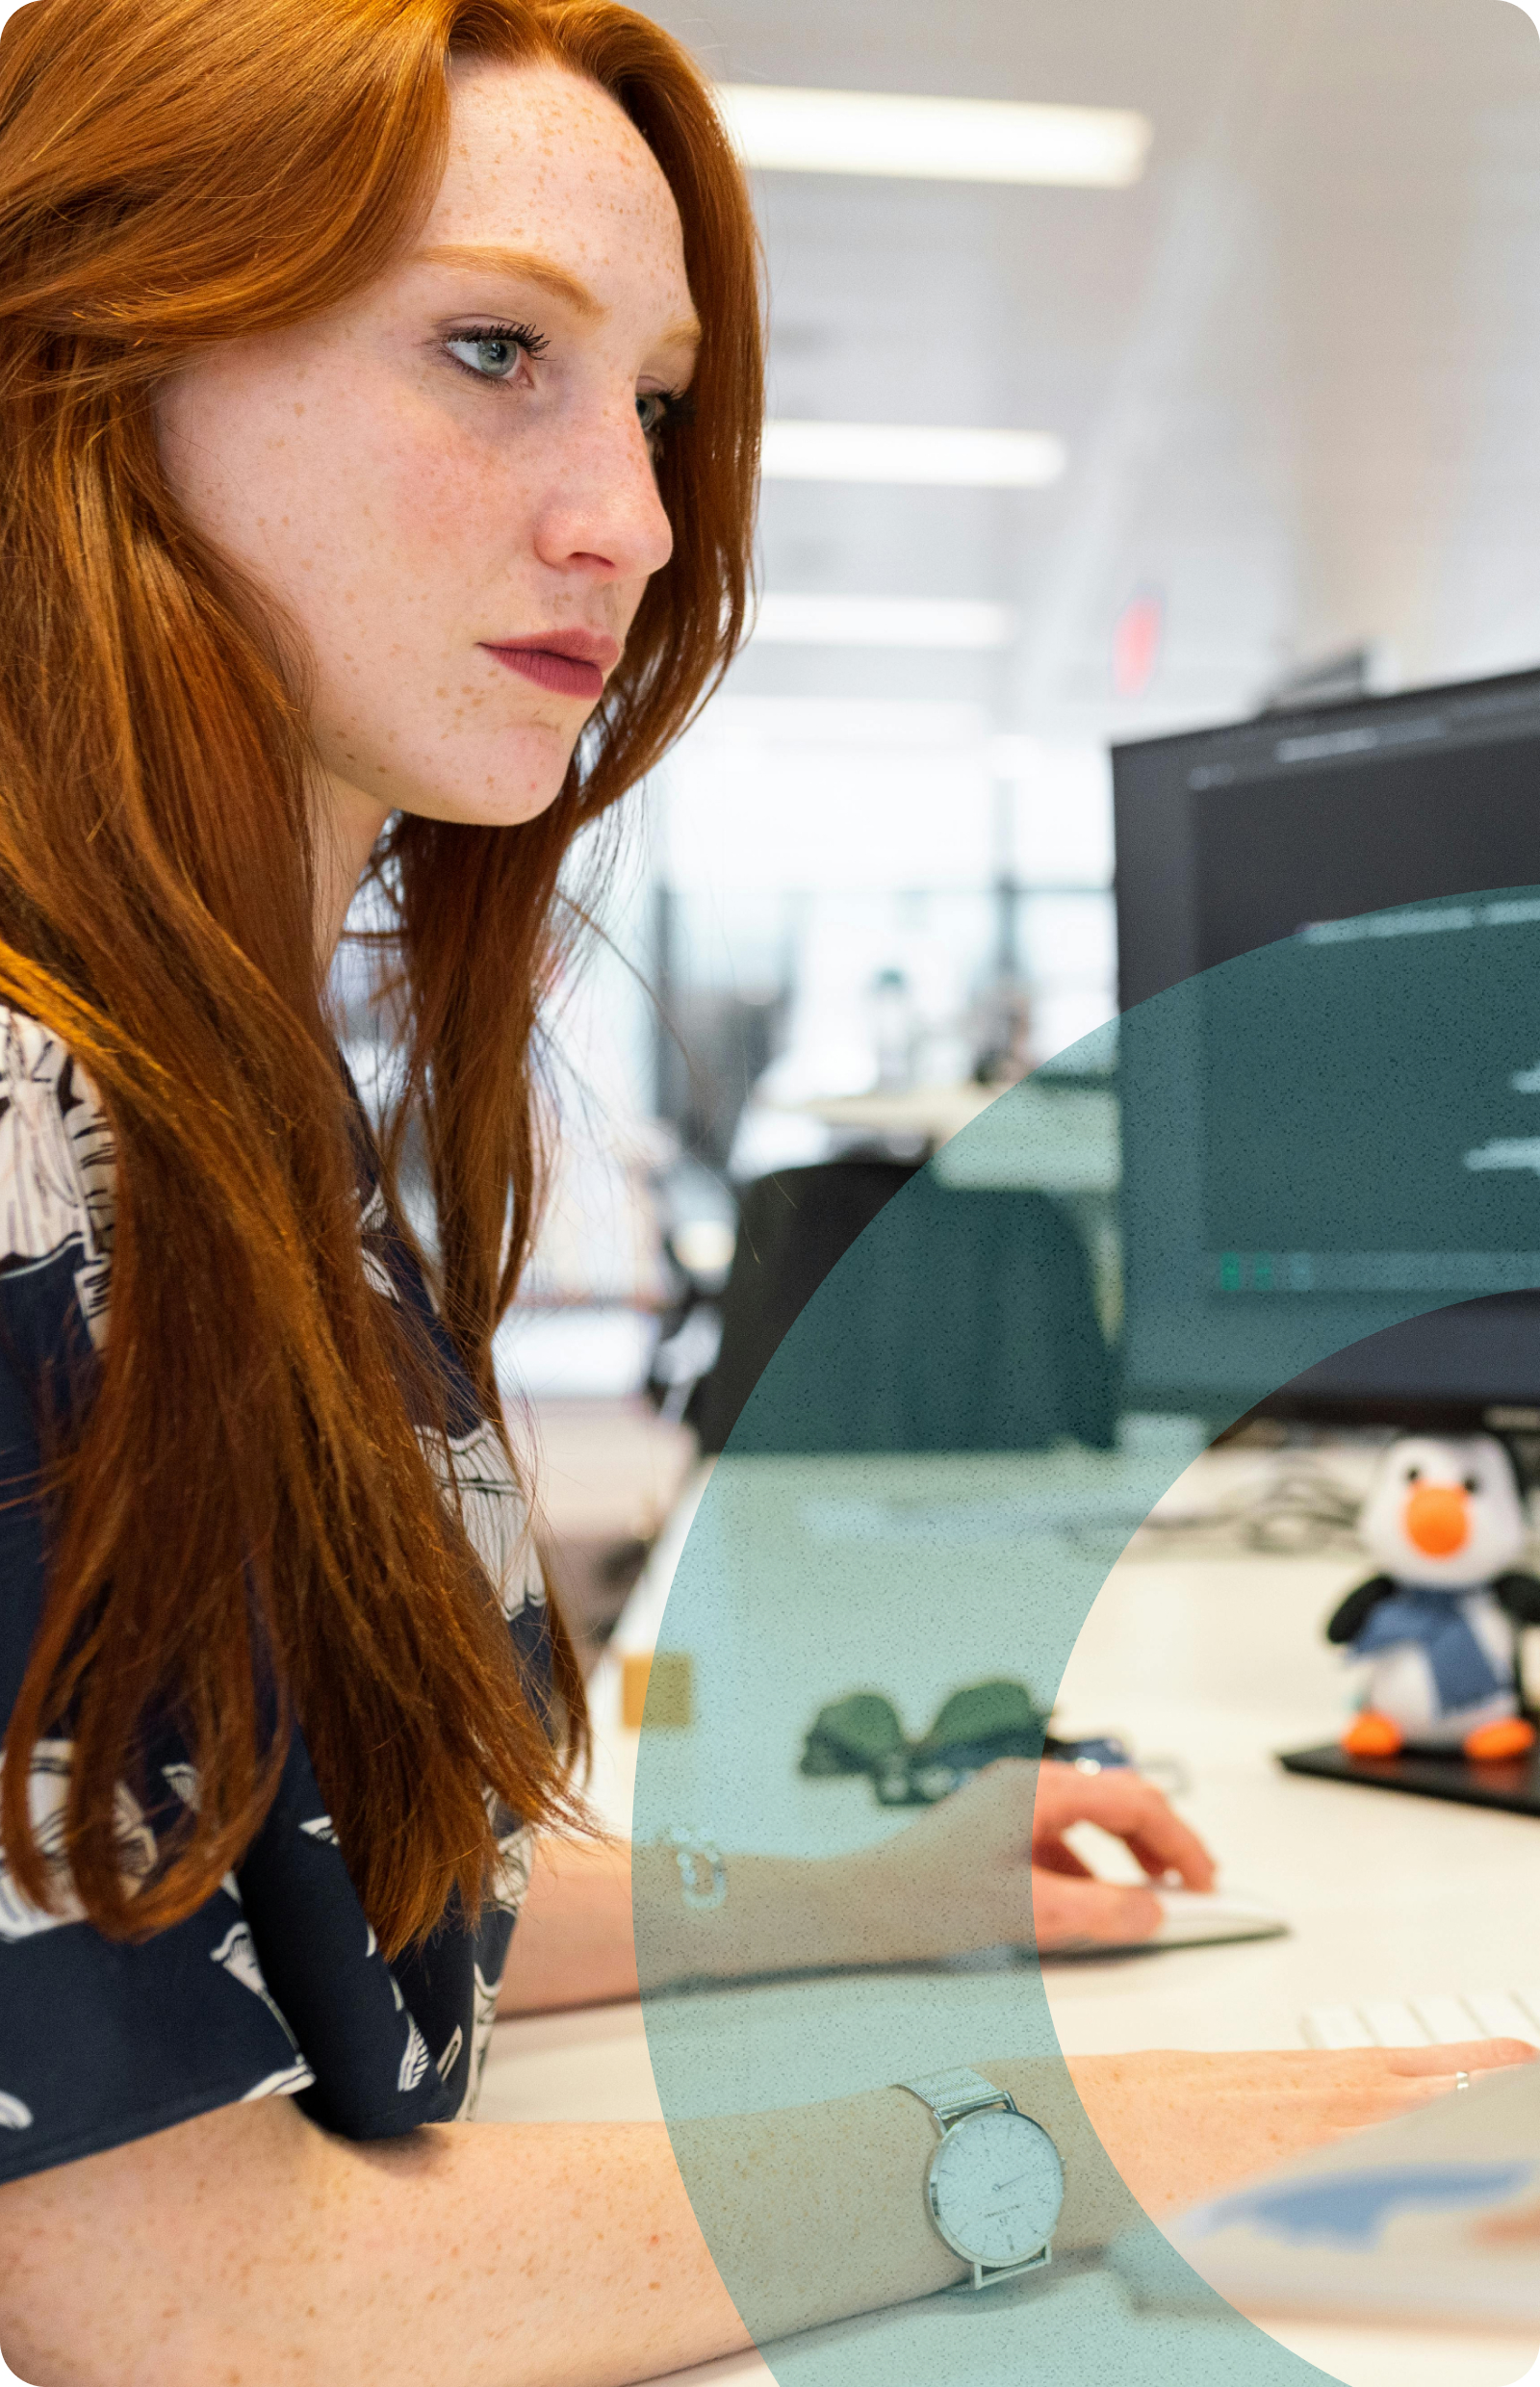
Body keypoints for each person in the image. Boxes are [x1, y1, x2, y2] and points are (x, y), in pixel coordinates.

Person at [0, 4, 1529, 2382]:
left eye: (654, 402)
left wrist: (870, 1885)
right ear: (94, 362)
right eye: (491, 348)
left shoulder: (240, 1119)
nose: (628, 515)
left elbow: (370, 1911)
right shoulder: (21, 1140)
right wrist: (1227, 2126)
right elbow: (190, 2287)